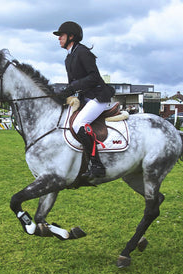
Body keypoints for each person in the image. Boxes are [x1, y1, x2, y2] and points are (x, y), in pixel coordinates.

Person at [53, 21, 114, 179]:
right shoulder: (69, 57)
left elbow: (94, 77)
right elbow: (72, 84)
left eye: (62, 35)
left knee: (78, 124)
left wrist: (72, 87)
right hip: (85, 98)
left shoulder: (82, 52)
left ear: (71, 36)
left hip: (98, 96)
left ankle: (97, 165)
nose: (59, 38)